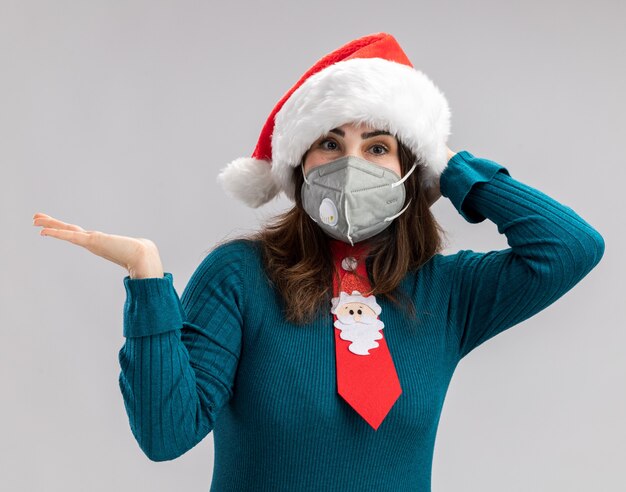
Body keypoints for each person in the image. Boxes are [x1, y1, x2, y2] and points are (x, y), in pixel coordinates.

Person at [32, 33, 605, 491]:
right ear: (298, 164)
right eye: (330, 143)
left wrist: (450, 164)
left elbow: (571, 247)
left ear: (410, 171)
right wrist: (148, 279)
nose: (350, 163)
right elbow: (165, 435)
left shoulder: (448, 292)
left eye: (378, 147)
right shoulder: (239, 277)